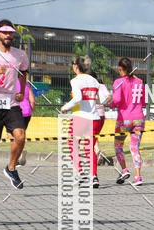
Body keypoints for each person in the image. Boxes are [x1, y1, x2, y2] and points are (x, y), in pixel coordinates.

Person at [0, 20, 29, 194]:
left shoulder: (20, 55)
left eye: (10, 33)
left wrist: (21, 91)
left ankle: (11, 168)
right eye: (4, 32)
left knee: (20, 136)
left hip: (11, 102)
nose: (8, 35)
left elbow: (23, 72)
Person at [60, 56, 110, 188]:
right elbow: (104, 100)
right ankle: (94, 177)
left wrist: (65, 107)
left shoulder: (75, 81)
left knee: (73, 145)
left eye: (72, 63)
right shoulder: (94, 80)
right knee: (90, 149)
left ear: (76, 66)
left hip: (80, 118)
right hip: (94, 119)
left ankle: (81, 172)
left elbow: (77, 98)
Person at [111, 58, 146, 185]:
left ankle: (124, 169)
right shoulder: (139, 82)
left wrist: (110, 104)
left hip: (124, 120)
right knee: (135, 148)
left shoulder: (118, 82)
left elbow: (117, 99)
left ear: (121, 69)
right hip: (139, 119)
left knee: (118, 145)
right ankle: (138, 177)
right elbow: (143, 102)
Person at [6, 78, 35, 167]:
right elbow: (33, 101)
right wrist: (30, 111)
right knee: (21, 135)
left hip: (15, 112)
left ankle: (17, 157)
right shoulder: (25, 84)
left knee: (11, 135)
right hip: (27, 112)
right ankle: (20, 153)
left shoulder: (10, 82)